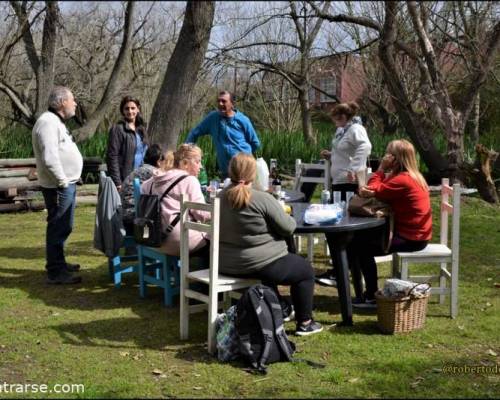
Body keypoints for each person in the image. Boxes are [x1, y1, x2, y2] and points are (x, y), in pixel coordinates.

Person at [218, 153, 323, 336]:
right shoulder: (261, 198)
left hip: (225, 262)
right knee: (305, 271)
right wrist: (285, 213)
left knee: (278, 265)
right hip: (258, 263)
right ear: (254, 174)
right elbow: (288, 227)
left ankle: (280, 307)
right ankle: (305, 322)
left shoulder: (219, 196)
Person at [348, 139, 432, 308]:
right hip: (416, 233)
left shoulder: (403, 180)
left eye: (388, 154)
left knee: (359, 248)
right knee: (358, 242)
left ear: (396, 159)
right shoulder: (412, 176)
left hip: (411, 238)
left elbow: (371, 191)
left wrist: (380, 169)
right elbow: (377, 188)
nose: (385, 157)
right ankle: (365, 292)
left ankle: (371, 296)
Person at [316, 102, 372, 287]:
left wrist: (354, 168)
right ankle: (339, 268)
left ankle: (344, 270)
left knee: (343, 227)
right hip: (339, 182)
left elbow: (365, 147)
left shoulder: (355, 128)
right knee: (335, 224)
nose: (333, 121)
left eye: (334, 117)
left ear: (342, 116)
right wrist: (332, 155)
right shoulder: (343, 131)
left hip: (349, 184)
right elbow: (345, 151)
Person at [32, 86, 83, 284]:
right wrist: (62, 181)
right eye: (73, 100)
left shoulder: (55, 122)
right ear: (62, 102)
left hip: (64, 184)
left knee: (63, 226)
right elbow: (50, 157)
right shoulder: (47, 122)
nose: (75, 104)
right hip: (58, 186)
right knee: (58, 226)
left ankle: (59, 263)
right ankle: (55, 271)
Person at [141, 144, 210, 257]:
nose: (201, 166)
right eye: (198, 162)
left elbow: (143, 189)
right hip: (178, 242)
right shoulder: (189, 180)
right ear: (185, 164)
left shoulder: (152, 180)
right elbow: (201, 215)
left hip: (152, 239)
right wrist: (219, 211)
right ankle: (202, 273)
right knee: (214, 239)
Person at [185, 90, 261, 178]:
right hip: (226, 171)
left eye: (224, 101)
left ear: (232, 104)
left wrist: (244, 157)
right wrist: (186, 152)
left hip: (244, 169)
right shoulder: (213, 118)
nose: (220, 104)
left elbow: (255, 143)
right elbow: (194, 132)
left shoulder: (243, 120)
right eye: (218, 101)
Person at [120, 144, 173, 235]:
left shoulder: (141, 169)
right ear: (159, 161)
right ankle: (160, 241)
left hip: (124, 211)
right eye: (166, 161)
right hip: (134, 215)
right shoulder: (154, 172)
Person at [106, 96, 148, 191]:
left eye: (133, 108)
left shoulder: (141, 129)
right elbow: (112, 156)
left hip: (141, 178)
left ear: (138, 109)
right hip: (125, 179)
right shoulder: (118, 129)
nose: (130, 111)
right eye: (127, 108)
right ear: (122, 111)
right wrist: (117, 182)